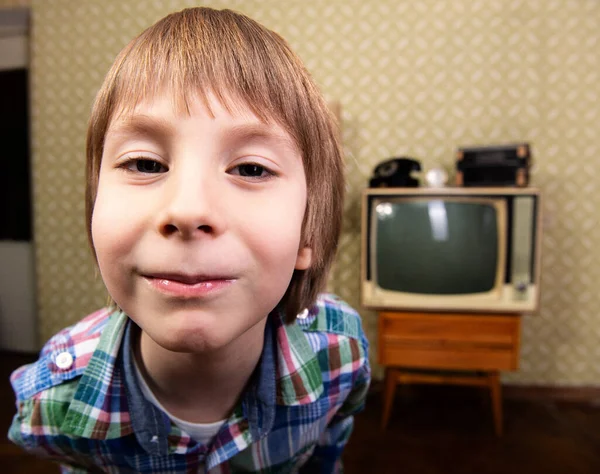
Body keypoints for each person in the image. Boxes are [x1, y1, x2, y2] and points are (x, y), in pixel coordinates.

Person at [8, 7, 370, 473]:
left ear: (308, 234)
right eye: (145, 164)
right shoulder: (51, 401)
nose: (188, 210)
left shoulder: (341, 355)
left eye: (251, 169)